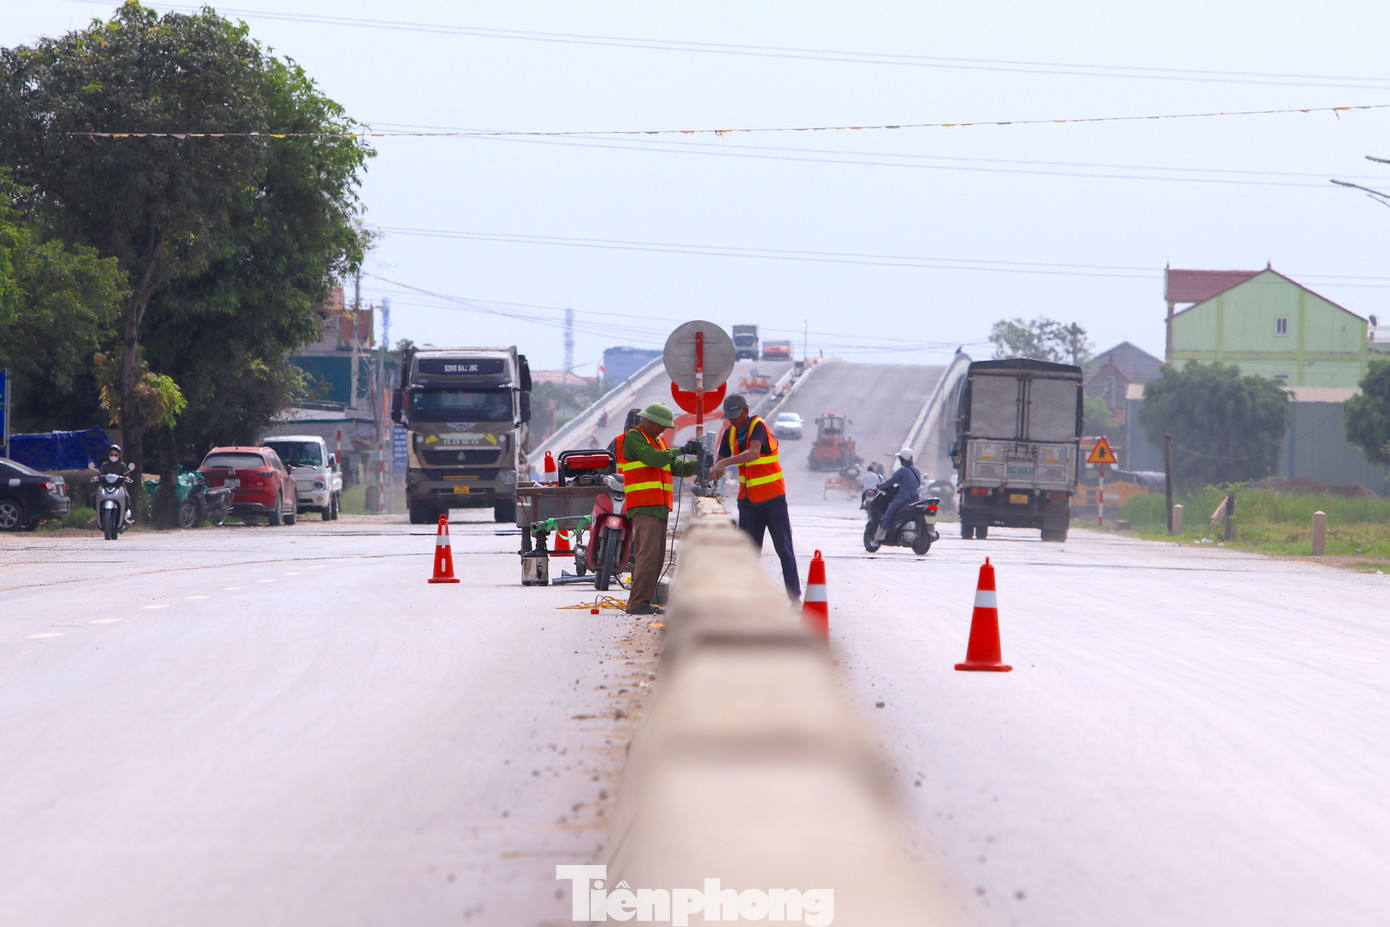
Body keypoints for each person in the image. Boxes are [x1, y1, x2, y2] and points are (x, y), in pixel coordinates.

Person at [710, 394, 801, 600]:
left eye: (735, 415)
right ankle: (746, 599)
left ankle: (794, 598)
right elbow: (720, 462)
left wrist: (724, 463)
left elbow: (754, 453)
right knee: (748, 553)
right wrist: (712, 471)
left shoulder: (757, 426)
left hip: (772, 498)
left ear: (745, 411)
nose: (732, 420)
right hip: (748, 501)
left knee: (784, 548)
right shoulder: (729, 434)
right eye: (729, 416)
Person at [619, 402, 700, 616]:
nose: (663, 429)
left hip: (659, 506)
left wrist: (697, 465)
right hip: (644, 505)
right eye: (661, 425)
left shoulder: (659, 442)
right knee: (647, 556)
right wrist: (682, 449)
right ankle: (636, 604)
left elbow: (674, 468)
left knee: (656, 558)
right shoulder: (634, 437)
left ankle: (643, 601)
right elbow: (653, 460)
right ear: (649, 421)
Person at [871, 447, 922, 541]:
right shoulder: (917, 470)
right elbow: (918, 484)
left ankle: (877, 539)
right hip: (915, 498)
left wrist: (880, 486)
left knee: (887, 516)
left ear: (902, 459)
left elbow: (891, 482)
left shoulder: (902, 470)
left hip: (903, 498)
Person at [96, 444, 135, 527]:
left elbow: (126, 475)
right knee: (94, 496)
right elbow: (100, 474)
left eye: (116, 455)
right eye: (111, 455)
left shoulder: (122, 465)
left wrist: (127, 478)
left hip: (119, 487)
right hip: (106, 487)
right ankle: (97, 516)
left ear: (119, 455)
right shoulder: (104, 465)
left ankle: (124, 518)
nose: (113, 456)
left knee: (126, 497)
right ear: (109, 455)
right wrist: (97, 477)